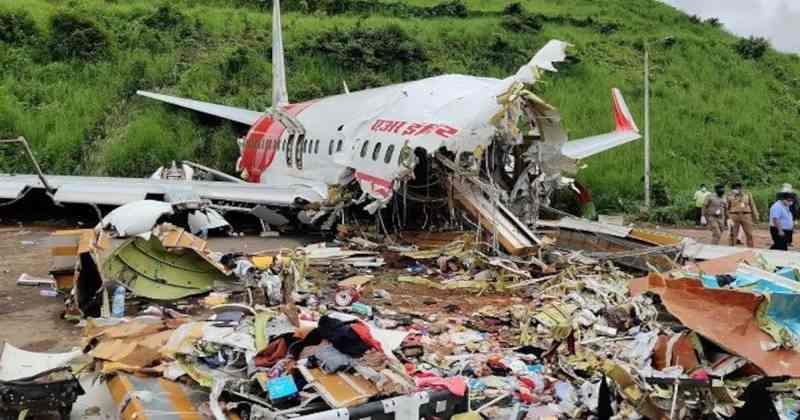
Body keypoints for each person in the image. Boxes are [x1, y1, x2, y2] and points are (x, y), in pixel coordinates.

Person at [726, 182, 759, 248]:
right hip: (734, 215)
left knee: (749, 234)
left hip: (746, 215)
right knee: (733, 235)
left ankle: (750, 249)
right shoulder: (729, 195)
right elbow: (727, 207)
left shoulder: (747, 194)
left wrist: (756, 216)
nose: (736, 189)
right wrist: (728, 217)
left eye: (738, 188)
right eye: (734, 188)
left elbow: (752, 205)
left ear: (741, 188)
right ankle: (731, 250)